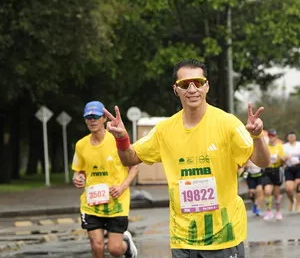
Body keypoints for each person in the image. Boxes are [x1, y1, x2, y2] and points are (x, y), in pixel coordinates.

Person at [104, 60, 270, 258]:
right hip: (183, 239)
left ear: (206, 86)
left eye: (198, 83)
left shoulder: (227, 123)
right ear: (176, 89)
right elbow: (129, 158)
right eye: (185, 84)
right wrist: (122, 138)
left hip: (224, 236)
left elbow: (263, 162)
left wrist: (257, 136)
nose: (192, 89)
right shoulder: (165, 130)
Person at [72, 101, 139, 258]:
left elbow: (134, 167)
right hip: (91, 203)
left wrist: (122, 187)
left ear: (104, 119)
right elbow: (79, 172)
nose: (92, 120)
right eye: (88, 117)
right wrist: (78, 179)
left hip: (117, 202)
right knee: (97, 246)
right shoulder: (81, 145)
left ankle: (126, 245)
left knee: (114, 249)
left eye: (96, 116)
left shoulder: (117, 140)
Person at [262, 129, 285, 221]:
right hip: (268, 170)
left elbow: (284, 159)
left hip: (277, 169)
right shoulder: (266, 146)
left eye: (273, 136)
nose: (271, 138)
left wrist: (280, 157)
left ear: (276, 137)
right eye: (270, 136)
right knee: (267, 192)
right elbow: (262, 157)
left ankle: (278, 211)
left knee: (276, 194)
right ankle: (268, 211)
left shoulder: (280, 146)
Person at [283, 130, 300, 213]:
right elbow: (281, 158)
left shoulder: (299, 145)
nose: (292, 138)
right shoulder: (284, 146)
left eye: (293, 136)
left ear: (295, 137)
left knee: (298, 185)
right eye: (290, 137)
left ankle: (298, 204)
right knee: (289, 189)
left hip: (298, 167)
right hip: (289, 168)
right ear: (287, 138)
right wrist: (285, 158)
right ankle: (291, 201)